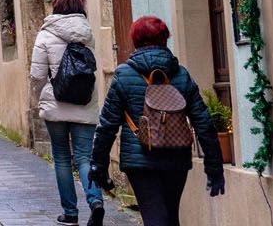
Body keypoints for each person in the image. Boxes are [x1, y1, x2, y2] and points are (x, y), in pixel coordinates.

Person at [90, 16, 224, 226]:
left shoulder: (124, 75)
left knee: (154, 216)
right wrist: (214, 166)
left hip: (139, 160)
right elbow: (204, 123)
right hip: (176, 157)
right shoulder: (181, 75)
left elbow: (107, 125)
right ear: (164, 40)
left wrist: (99, 164)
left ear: (136, 40)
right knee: (171, 216)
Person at [31, 0, 103, 226]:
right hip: (84, 102)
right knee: (84, 157)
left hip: (56, 105)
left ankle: (70, 213)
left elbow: (37, 75)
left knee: (62, 158)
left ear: (56, 9)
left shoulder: (45, 34)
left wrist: (42, 94)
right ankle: (96, 202)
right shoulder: (87, 34)